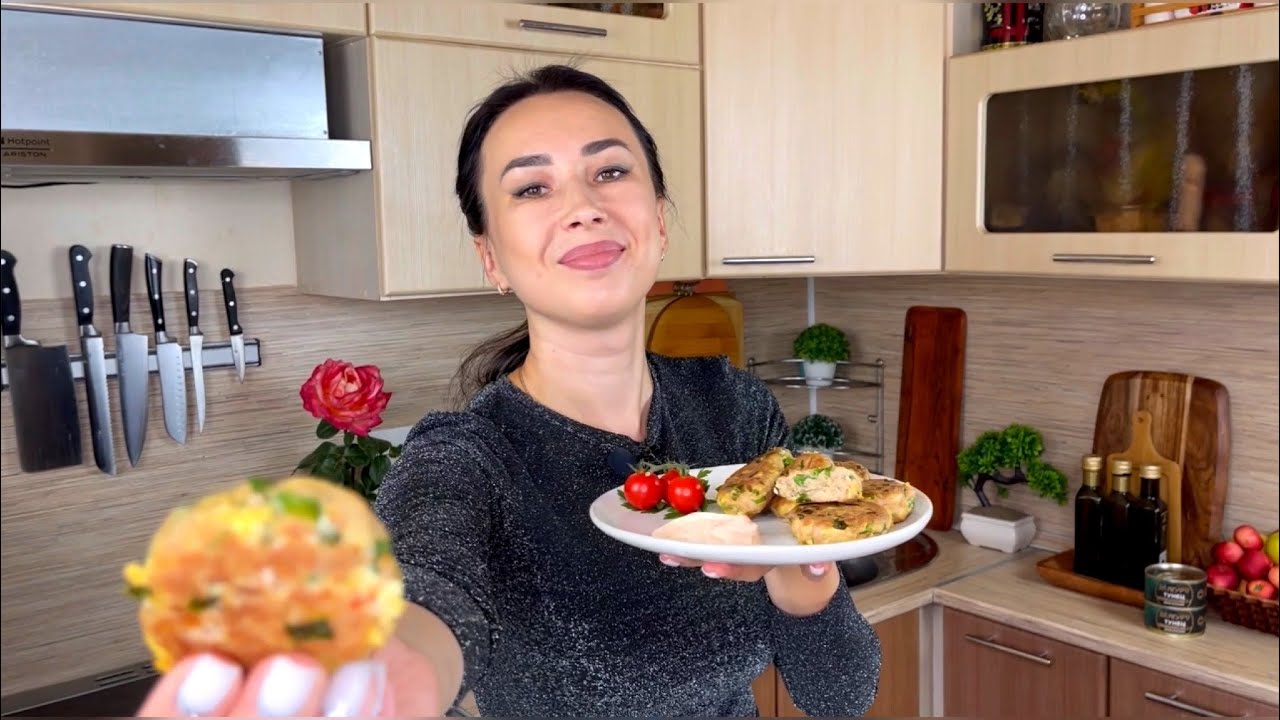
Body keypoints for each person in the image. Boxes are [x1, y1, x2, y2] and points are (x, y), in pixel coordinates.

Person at [136, 63, 881, 718]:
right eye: (532, 187)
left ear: (659, 221)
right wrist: (381, 673)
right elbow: (424, 595)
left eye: (610, 172)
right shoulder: (469, 458)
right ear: (491, 256)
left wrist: (804, 583)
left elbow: (840, 695)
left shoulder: (732, 408)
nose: (583, 205)